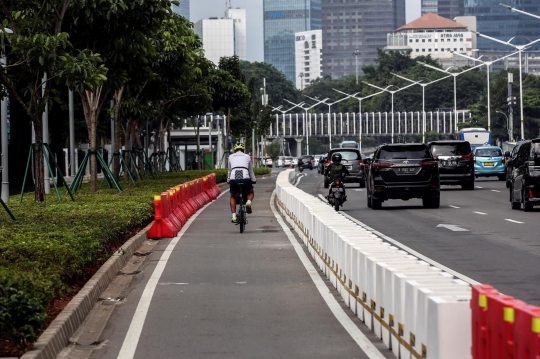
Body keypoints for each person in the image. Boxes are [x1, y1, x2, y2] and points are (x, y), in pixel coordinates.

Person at [228, 143, 257, 223]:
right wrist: (254, 180)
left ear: (234, 150)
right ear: (243, 150)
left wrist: (228, 180)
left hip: (234, 177)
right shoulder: (247, 156)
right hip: (245, 177)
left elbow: (229, 170)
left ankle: (233, 217)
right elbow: (250, 170)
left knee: (233, 196)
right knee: (250, 192)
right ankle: (248, 202)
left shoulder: (230, 157)